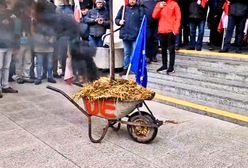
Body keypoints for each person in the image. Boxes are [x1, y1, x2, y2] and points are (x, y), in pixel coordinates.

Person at [115, 0, 143, 76]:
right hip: (125, 34)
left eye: (134, 0)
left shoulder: (139, 9)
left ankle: (135, 69)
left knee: (135, 53)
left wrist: (140, 33)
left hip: (135, 35)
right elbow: (116, 19)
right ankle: (125, 68)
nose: (132, 1)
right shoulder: (123, 8)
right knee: (126, 53)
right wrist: (119, 21)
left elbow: (142, 22)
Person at [152, 0, 181, 74]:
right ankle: (164, 65)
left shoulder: (174, 4)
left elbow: (178, 18)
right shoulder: (159, 4)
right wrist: (159, 7)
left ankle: (171, 67)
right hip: (161, 31)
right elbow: (154, 16)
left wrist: (175, 30)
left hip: (171, 31)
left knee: (171, 50)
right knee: (163, 49)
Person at [0, 0, 18, 98]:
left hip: (9, 45)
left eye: (3, 6)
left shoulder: (10, 16)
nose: (2, 8)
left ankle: (5, 86)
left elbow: (14, 31)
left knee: (6, 67)